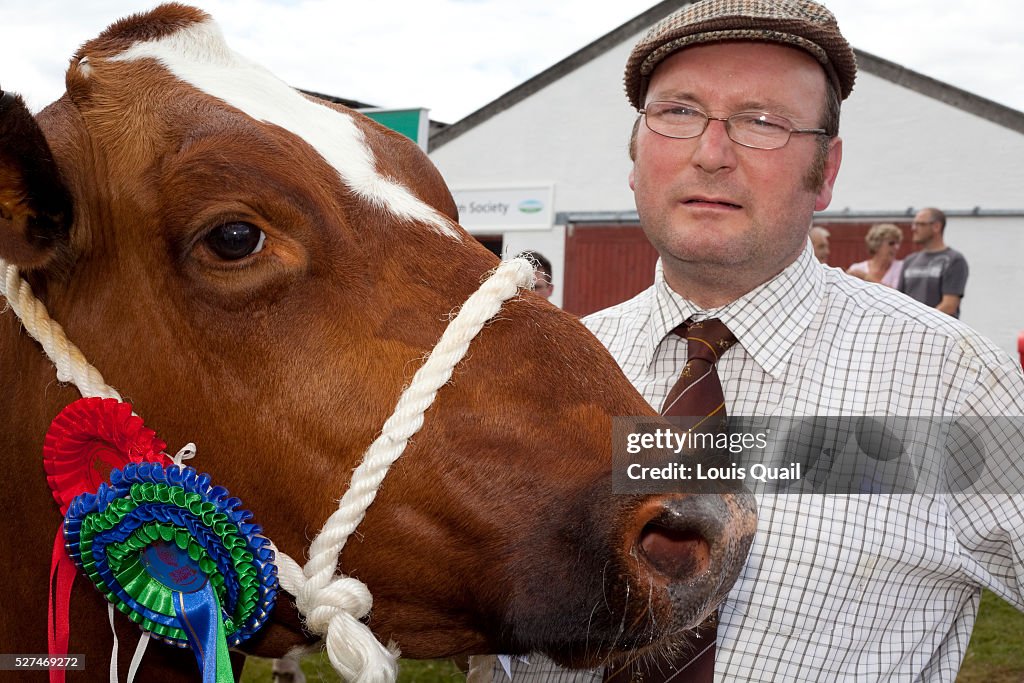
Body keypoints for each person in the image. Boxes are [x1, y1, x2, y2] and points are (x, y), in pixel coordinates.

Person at [488, 1, 1024, 681]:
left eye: (763, 121)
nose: (712, 154)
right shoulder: (551, 369)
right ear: (633, 158)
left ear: (826, 172)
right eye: (679, 112)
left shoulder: (954, 382)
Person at [898, 207, 969, 317]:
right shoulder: (909, 260)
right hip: (910, 331)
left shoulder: (954, 260)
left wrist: (919, 323)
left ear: (936, 226)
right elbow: (900, 300)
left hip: (939, 332)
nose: (913, 228)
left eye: (920, 224)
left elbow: (949, 306)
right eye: (913, 224)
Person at [846, 222, 904, 287]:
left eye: (898, 243)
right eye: (891, 243)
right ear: (877, 244)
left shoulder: (902, 267)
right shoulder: (857, 268)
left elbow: (897, 293)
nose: (896, 247)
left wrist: (866, 278)